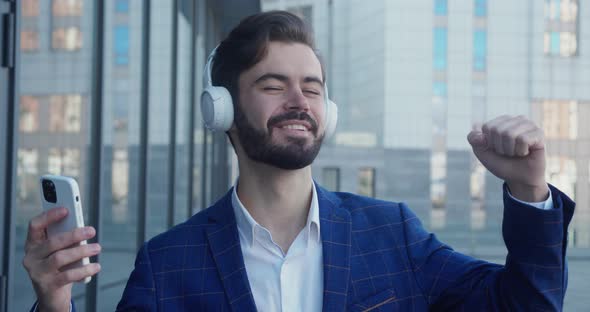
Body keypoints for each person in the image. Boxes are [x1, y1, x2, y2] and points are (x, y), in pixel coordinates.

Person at [24, 10, 575, 312]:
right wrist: (54, 302)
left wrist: (530, 193)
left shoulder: (393, 234)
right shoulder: (168, 265)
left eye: (312, 88)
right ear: (221, 110)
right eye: (273, 84)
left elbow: (524, 305)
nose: (299, 102)